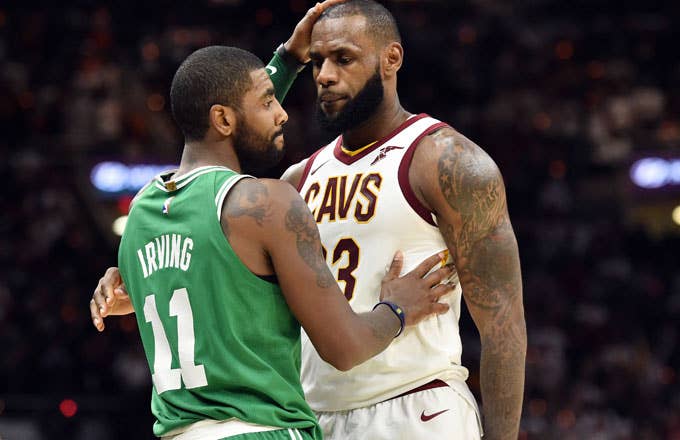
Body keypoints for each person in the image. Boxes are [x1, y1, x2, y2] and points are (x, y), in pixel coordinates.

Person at [93, 1, 527, 439]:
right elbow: (218, 149)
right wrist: (148, 277)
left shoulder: (448, 161)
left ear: (391, 59)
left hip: (417, 405)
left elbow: (504, 325)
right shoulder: (295, 179)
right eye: (316, 62)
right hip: (313, 415)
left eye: (343, 59)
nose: (324, 75)